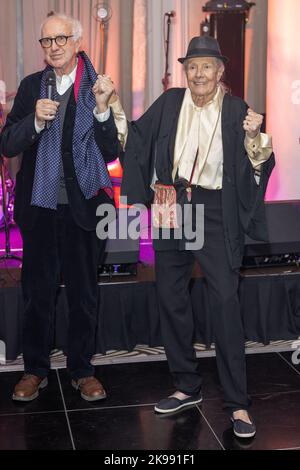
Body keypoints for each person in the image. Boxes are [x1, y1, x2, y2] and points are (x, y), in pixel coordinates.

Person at [96, 36, 275, 438]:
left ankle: (238, 403)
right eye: (192, 66)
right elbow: (136, 137)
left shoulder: (236, 110)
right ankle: (186, 385)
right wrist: (110, 106)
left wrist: (253, 137)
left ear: (220, 71)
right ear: (186, 71)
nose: (198, 74)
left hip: (214, 209)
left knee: (225, 300)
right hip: (170, 202)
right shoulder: (171, 101)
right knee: (170, 295)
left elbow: (259, 160)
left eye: (206, 66)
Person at [0, 12, 120, 402]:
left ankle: (82, 369)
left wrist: (102, 110)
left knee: (85, 294)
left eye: (60, 39)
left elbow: (112, 150)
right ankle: (35, 370)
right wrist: (33, 122)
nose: (53, 47)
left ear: (77, 42)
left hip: (85, 209)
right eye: (46, 41)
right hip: (40, 209)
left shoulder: (100, 87)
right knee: (37, 294)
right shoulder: (32, 86)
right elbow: (7, 144)